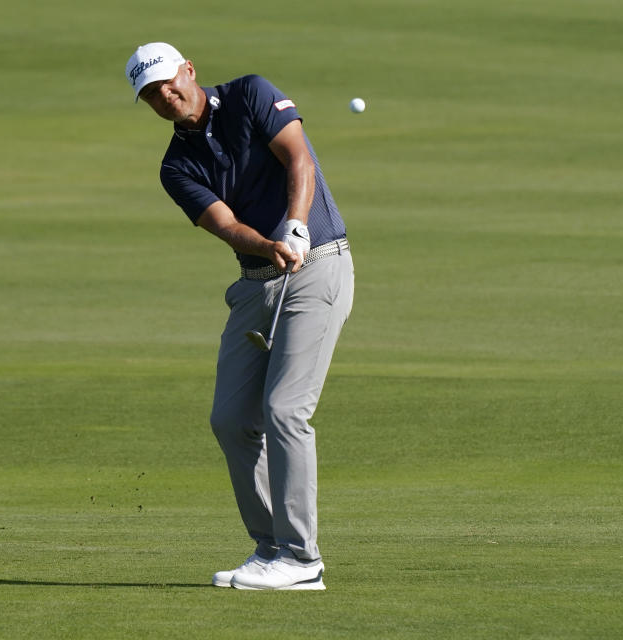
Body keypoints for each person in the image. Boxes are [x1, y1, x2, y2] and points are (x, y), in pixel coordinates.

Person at [125, 42, 354, 590]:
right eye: (151, 94)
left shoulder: (251, 93)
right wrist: (266, 244)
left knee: (284, 411)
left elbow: (299, 157)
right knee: (231, 420)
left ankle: (302, 560)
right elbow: (224, 225)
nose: (165, 95)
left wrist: (295, 227)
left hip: (318, 266)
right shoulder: (175, 166)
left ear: (190, 70)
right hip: (256, 285)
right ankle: (271, 546)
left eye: (169, 81)